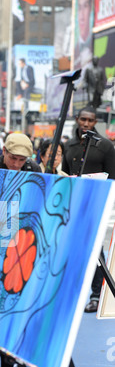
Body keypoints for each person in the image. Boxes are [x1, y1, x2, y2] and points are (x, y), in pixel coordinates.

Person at [62, 106, 115, 313]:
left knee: (95, 250)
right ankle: (70, 294)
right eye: (83, 119)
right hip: (72, 205)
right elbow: (64, 176)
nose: (86, 123)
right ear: (77, 119)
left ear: (95, 122)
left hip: (95, 205)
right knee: (70, 248)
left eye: (90, 120)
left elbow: (112, 178)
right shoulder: (69, 145)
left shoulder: (106, 146)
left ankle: (96, 294)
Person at [0, 133, 41, 204]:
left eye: (22, 160)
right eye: (13, 158)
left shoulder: (34, 169)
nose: (16, 164)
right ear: (4, 151)